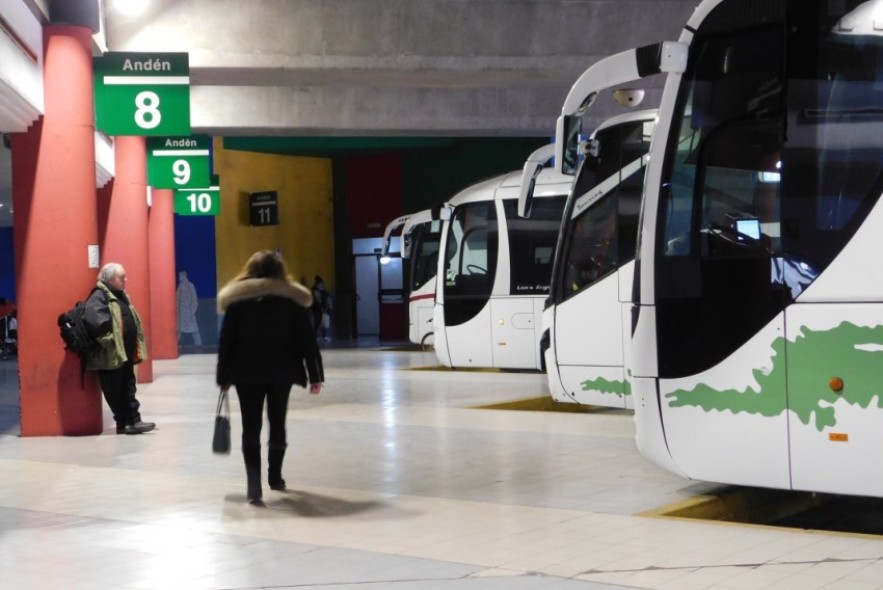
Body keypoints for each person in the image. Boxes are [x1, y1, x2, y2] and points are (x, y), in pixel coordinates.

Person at [216, 250, 324, 504]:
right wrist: (315, 375)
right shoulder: (292, 302)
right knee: (277, 422)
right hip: (281, 372)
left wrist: (223, 376)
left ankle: (254, 486)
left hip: (246, 374)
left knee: (250, 428)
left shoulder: (237, 303)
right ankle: (275, 477)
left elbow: (226, 342)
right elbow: (307, 341)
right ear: (280, 272)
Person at [83, 263, 155, 435]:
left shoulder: (119, 295)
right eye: (122, 277)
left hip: (124, 354)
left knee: (128, 387)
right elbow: (95, 322)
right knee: (114, 390)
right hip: (111, 356)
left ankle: (134, 421)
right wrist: (110, 342)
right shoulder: (99, 296)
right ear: (110, 279)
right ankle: (124, 423)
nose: (125, 280)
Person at [176, 271, 202, 346]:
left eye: (180, 275)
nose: (179, 277)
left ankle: (199, 344)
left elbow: (194, 300)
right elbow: (177, 300)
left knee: (194, 329)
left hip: (189, 313)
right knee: (179, 330)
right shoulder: (180, 287)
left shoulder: (190, 286)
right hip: (181, 314)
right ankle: (175, 344)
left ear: (184, 276)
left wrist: (192, 311)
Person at [310, 275, 333, 341]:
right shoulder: (315, 291)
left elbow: (328, 299)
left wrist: (328, 307)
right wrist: (321, 308)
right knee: (317, 322)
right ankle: (315, 336)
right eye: (320, 283)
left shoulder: (323, 290)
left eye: (321, 283)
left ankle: (323, 336)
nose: (321, 284)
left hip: (323, 309)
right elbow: (315, 301)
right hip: (317, 309)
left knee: (324, 323)